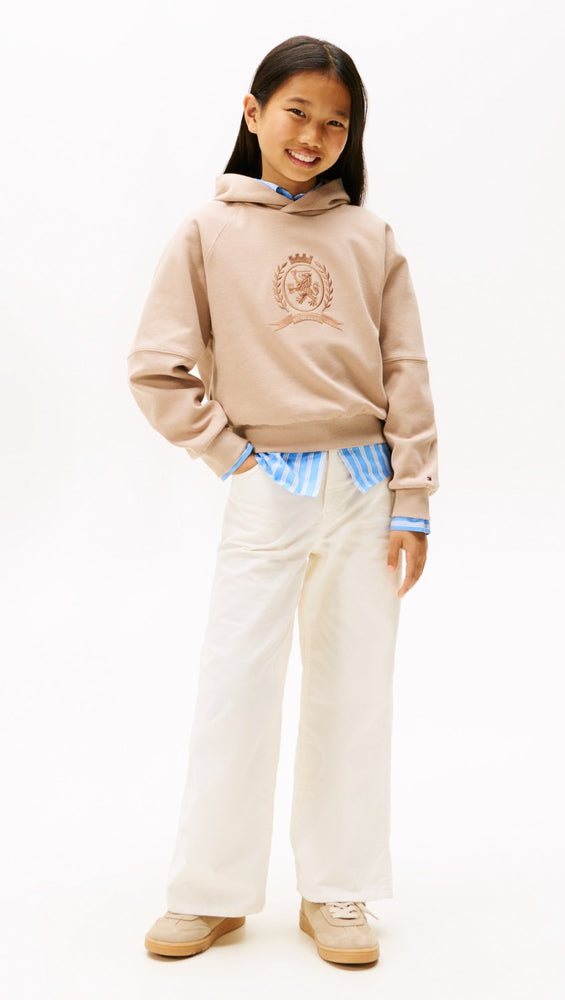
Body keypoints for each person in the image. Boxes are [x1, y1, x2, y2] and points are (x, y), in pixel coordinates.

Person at [127, 34, 438, 966]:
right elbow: (157, 366)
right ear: (253, 111)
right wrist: (234, 458)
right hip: (269, 487)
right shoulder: (208, 231)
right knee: (237, 685)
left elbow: (406, 369)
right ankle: (209, 892)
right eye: (297, 111)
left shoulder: (370, 238)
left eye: (336, 122)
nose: (313, 134)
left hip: (366, 489)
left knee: (355, 692)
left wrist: (413, 498)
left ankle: (336, 891)